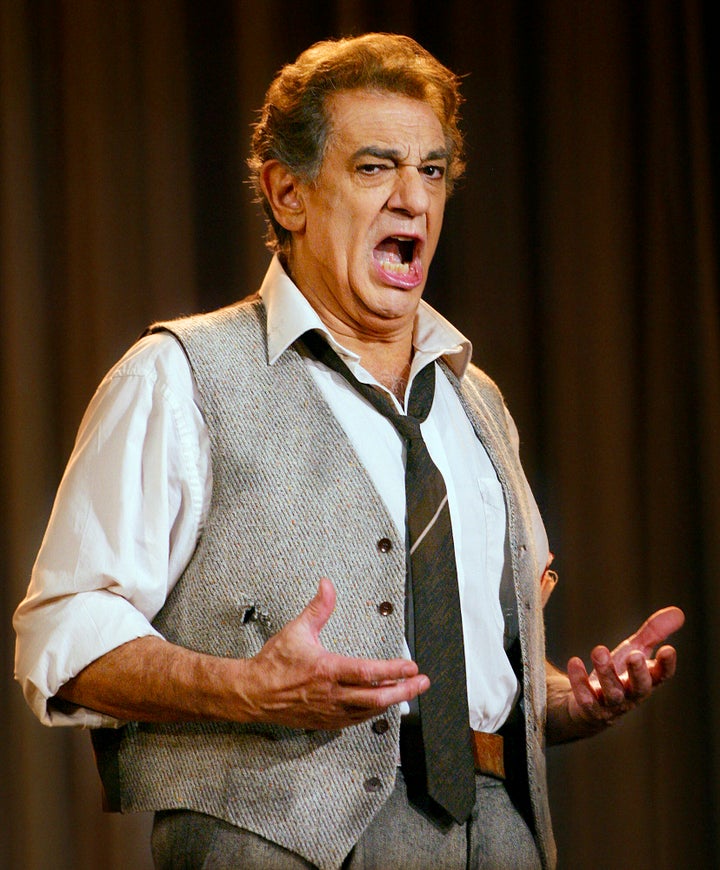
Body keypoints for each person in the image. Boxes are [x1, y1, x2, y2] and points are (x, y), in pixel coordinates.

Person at [14, 33, 683, 870]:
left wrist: (559, 700)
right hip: (277, 840)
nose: (413, 200)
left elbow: (460, 663)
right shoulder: (181, 376)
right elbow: (64, 633)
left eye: (431, 171)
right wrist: (247, 688)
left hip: (503, 832)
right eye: (375, 168)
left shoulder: (478, 404)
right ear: (287, 193)